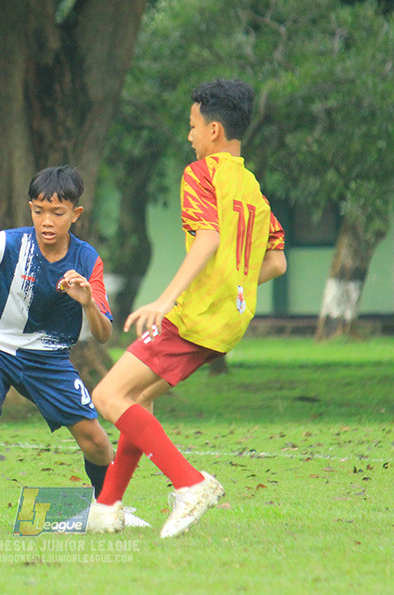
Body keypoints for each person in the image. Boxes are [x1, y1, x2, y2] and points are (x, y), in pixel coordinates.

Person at [87, 78, 287, 539]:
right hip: (229, 323)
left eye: (193, 125)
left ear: (214, 130)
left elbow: (209, 237)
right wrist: (233, 282)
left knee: (107, 397)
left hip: (193, 317)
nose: (189, 135)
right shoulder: (252, 189)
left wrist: (164, 300)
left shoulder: (201, 173)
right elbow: (276, 261)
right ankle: (107, 506)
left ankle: (190, 483)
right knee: (139, 399)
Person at [0, 165, 146, 535]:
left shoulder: (87, 261)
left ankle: (108, 508)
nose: (46, 221)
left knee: (98, 443)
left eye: (57, 212)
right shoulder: (6, 244)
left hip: (47, 357)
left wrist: (87, 302)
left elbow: (103, 334)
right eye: (39, 210)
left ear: (76, 214)